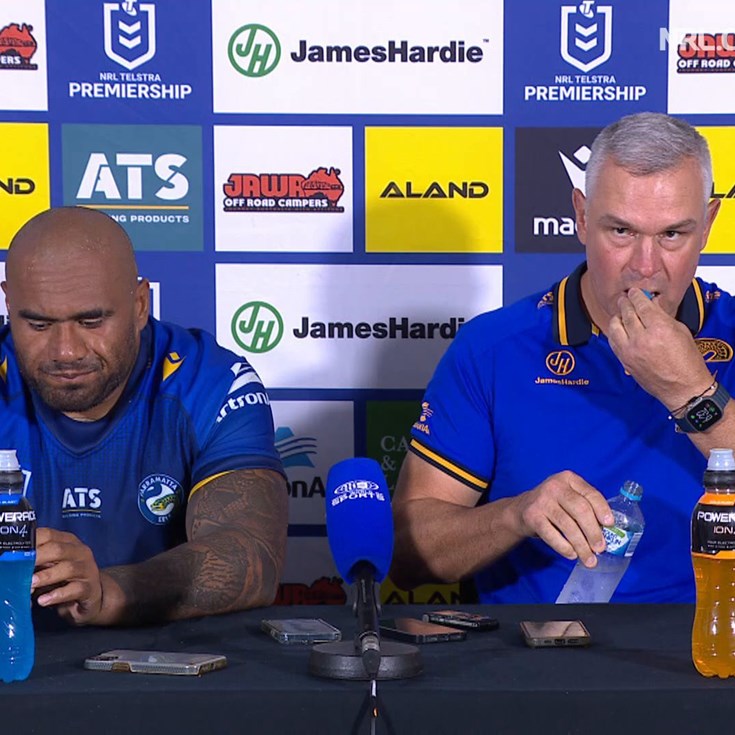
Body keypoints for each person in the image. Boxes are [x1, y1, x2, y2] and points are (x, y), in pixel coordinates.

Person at [391, 112, 731, 603]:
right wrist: (515, 515)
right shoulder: (493, 348)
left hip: (709, 640)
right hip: (537, 645)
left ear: (709, 223)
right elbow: (406, 557)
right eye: (621, 231)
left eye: (672, 235)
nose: (645, 266)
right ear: (581, 216)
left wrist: (692, 394)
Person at [0, 206, 288, 625]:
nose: (66, 351)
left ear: (139, 304)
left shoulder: (210, 382)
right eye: (39, 325)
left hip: (165, 656)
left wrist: (109, 593)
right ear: (9, 303)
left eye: (91, 321)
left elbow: (251, 554)